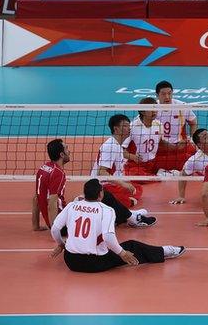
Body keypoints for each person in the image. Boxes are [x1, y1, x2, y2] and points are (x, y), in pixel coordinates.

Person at [50, 179, 186, 273]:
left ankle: (133, 216)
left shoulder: (72, 206)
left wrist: (61, 244)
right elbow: (108, 237)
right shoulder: (107, 210)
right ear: (100, 194)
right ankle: (165, 251)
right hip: (94, 263)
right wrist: (122, 253)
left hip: (70, 261)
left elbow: (55, 229)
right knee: (133, 246)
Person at [92, 114, 156, 227]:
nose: (129, 128)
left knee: (137, 189)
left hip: (112, 184)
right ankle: (131, 216)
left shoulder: (118, 145)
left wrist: (125, 183)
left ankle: (121, 209)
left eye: (128, 125)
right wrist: (123, 184)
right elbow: (102, 172)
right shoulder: (110, 146)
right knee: (124, 198)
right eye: (125, 126)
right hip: (103, 186)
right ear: (116, 129)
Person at [124, 97, 179, 177]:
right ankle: (159, 175)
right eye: (151, 109)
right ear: (142, 112)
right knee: (137, 177)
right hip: (136, 165)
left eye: (155, 108)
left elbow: (161, 143)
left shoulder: (159, 125)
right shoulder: (132, 127)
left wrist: (176, 147)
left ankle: (158, 173)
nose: (154, 112)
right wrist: (133, 157)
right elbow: (121, 150)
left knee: (182, 158)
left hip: (153, 162)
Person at [169, 128, 208, 205]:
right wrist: (181, 196)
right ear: (200, 145)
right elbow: (183, 174)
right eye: (205, 137)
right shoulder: (195, 160)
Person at [154, 80, 198, 171]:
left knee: (198, 157)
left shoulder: (181, 106)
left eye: (170, 93)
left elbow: (193, 122)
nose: (167, 97)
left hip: (180, 146)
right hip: (160, 147)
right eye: (163, 94)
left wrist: (192, 140)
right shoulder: (152, 108)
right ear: (157, 95)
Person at [33, 139, 69, 231]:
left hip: (51, 221)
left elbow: (36, 198)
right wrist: (55, 231)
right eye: (66, 149)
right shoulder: (58, 173)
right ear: (61, 154)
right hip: (61, 224)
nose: (69, 152)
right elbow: (52, 203)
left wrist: (36, 226)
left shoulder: (43, 168)